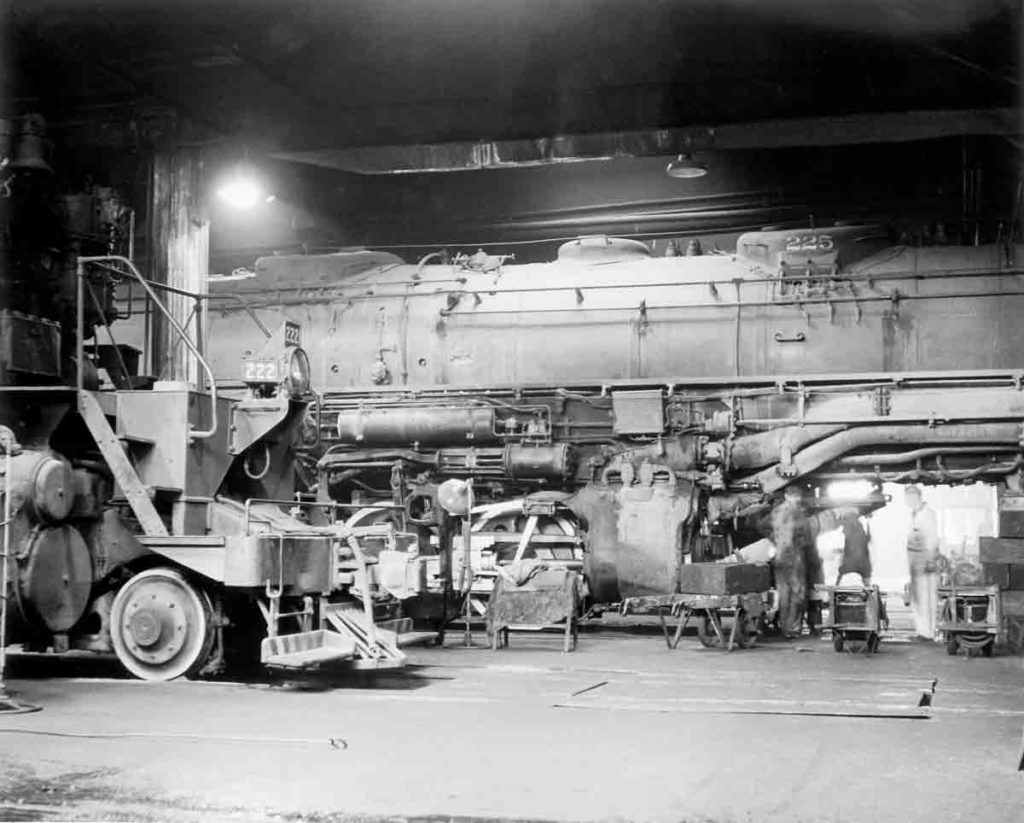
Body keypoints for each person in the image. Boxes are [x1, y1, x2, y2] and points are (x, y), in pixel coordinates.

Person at [770, 485, 816, 638]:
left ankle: (785, 628)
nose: (798, 500)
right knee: (798, 593)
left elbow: (763, 526)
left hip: (780, 558)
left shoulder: (777, 511)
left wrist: (774, 541)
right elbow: (804, 538)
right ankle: (793, 628)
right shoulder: (796, 513)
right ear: (794, 497)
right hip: (793, 557)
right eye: (797, 497)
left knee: (783, 594)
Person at [904, 485, 939, 640]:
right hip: (916, 563)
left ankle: (927, 633)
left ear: (916, 496)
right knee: (918, 598)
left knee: (926, 598)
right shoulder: (915, 514)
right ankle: (921, 630)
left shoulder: (927, 514)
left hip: (925, 563)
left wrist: (930, 561)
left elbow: (931, 539)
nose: (907, 501)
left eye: (909, 497)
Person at [837, 510, 872, 585]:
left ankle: (836, 585)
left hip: (857, 560)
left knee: (842, 573)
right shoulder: (857, 526)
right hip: (860, 561)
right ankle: (868, 588)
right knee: (866, 579)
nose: (843, 531)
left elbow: (867, 538)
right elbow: (868, 538)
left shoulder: (854, 526)